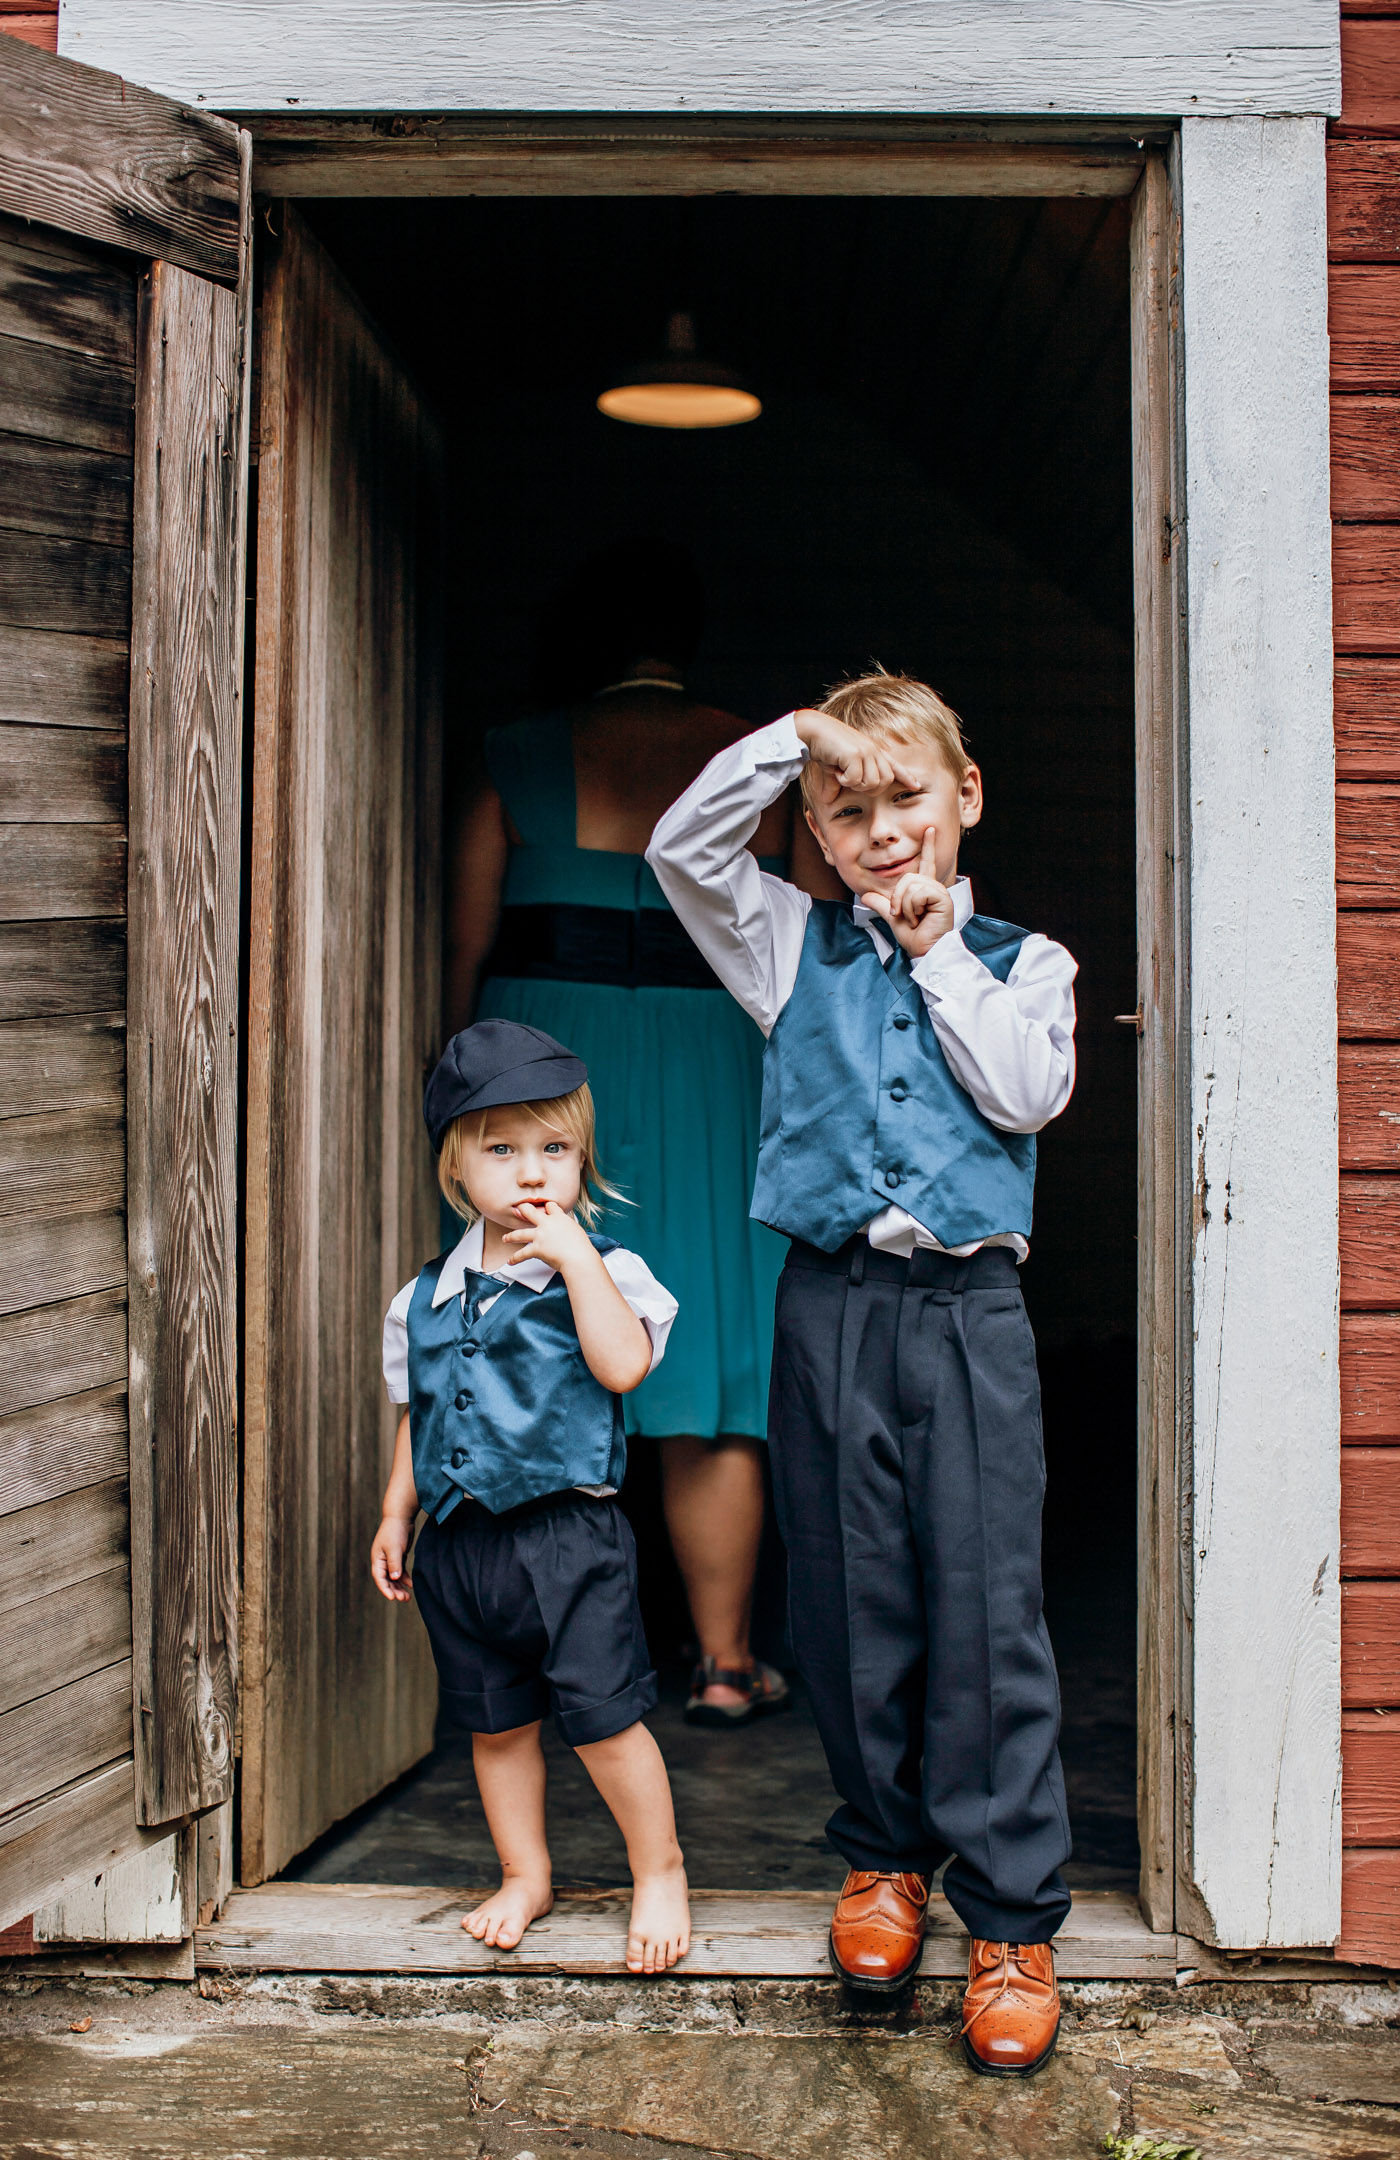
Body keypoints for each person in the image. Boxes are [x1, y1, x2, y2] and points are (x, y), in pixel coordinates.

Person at [646, 673, 1077, 2072]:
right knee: (842, 1593)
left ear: (966, 797)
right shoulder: (784, 948)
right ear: (816, 833)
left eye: (907, 798)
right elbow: (680, 852)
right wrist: (790, 743)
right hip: (829, 1302)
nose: (881, 829)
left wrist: (940, 950)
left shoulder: (1029, 962)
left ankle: (1011, 1918)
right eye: (849, 811)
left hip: (968, 1313)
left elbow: (1022, 1095)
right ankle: (884, 1855)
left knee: (985, 1603)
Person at [445, 539, 835, 1724]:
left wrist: (447, 1087)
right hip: (716, 1058)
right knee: (713, 1357)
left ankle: (526, 1659)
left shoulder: (514, 757)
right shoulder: (757, 764)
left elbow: (464, 949)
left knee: (530, 1330)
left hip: (545, 1067)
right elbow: (813, 943)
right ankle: (723, 1662)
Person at [371, 1019, 690, 1974]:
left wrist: (577, 1260)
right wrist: (399, 1511)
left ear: (583, 1157)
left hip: (566, 1538)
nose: (530, 1172)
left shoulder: (608, 1274)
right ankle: (525, 1872)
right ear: (457, 1167)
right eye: (502, 1150)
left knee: (603, 1720)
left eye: (554, 1148)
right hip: (461, 1543)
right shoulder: (422, 1296)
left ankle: (660, 1868)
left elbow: (624, 1365)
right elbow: (418, 1410)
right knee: (495, 1722)